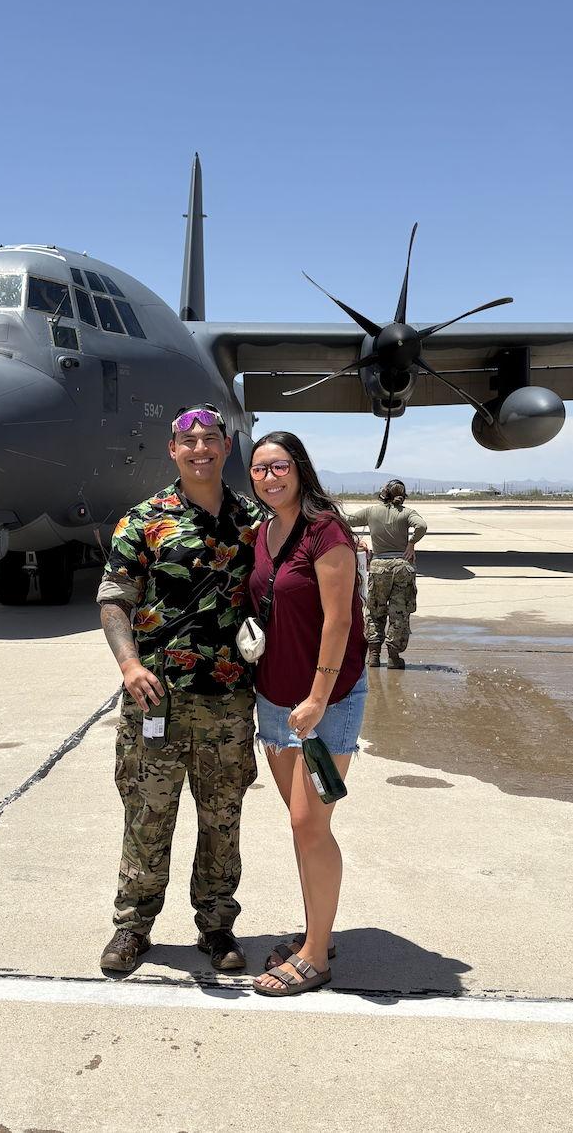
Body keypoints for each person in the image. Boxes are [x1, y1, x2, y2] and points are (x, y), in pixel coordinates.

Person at [95, 404, 263, 975]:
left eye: (211, 439)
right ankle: (132, 927)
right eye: (188, 441)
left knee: (223, 817)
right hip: (155, 698)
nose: (200, 449)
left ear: (226, 446)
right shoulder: (144, 520)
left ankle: (216, 926)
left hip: (229, 701)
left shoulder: (254, 520)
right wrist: (128, 665)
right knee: (147, 813)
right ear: (173, 450)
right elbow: (115, 600)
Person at [246, 431, 367, 996]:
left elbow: (338, 621)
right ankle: (316, 933)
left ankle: (316, 954)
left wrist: (318, 699)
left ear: (300, 469)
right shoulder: (263, 533)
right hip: (275, 703)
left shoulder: (326, 531)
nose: (270, 476)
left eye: (280, 466)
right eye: (260, 469)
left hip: (326, 702)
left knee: (308, 825)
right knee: (302, 830)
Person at [345, 479, 428, 669]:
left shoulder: (371, 511)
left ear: (384, 493)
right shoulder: (407, 513)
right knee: (399, 612)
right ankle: (393, 657)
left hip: (378, 567)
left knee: (375, 611)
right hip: (402, 567)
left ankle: (373, 655)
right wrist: (411, 543)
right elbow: (421, 526)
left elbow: (346, 521)